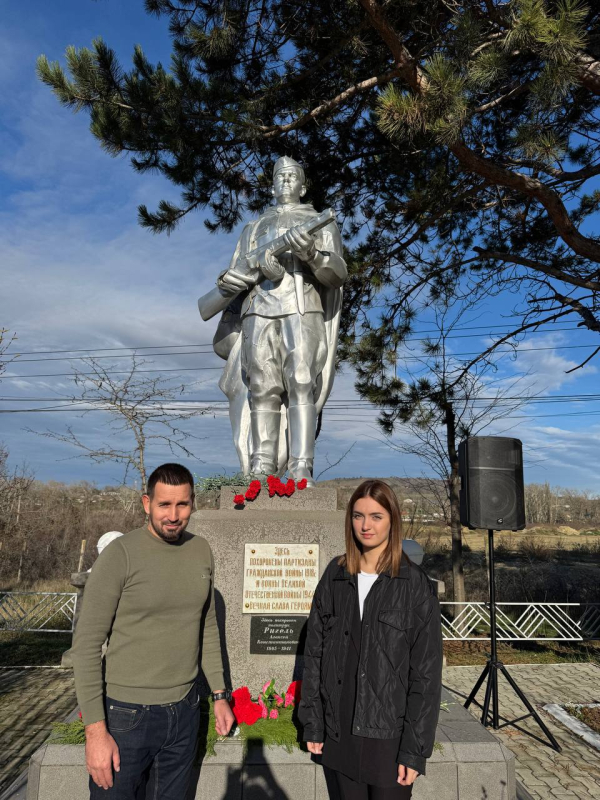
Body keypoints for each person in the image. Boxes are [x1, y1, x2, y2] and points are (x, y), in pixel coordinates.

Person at [71, 463, 234, 799]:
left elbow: (205, 626)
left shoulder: (201, 551)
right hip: (126, 717)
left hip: (185, 712)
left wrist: (219, 694)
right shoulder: (120, 556)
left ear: (193, 503)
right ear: (147, 503)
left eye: (182, 504)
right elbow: (86, 646)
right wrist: (95, 732)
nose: (173, 515)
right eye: (164, 505)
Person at [299, 480, 443, 799]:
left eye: (376, 516)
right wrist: (313, 722)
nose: (366, 525)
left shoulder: (414, 584)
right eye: (358, 515)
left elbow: (426, 674)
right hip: (339, 736)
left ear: (393, 519)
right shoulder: (334, 576)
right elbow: (315, 657)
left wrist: (414, 751)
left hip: (388, 740)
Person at [213, 156, 347, 485]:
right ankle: (262, 466)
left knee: (302, 383)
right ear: (272, 185)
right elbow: (236, 274)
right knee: (261, 388)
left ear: (303, 185)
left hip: (302, 309)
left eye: (292, 176)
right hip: (258, 311)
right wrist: (228, 281)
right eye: (280, 176)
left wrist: (312, 255)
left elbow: (338, 274)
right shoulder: (252, 228)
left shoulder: (319, 222)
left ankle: (301, 467)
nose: (285, 181)